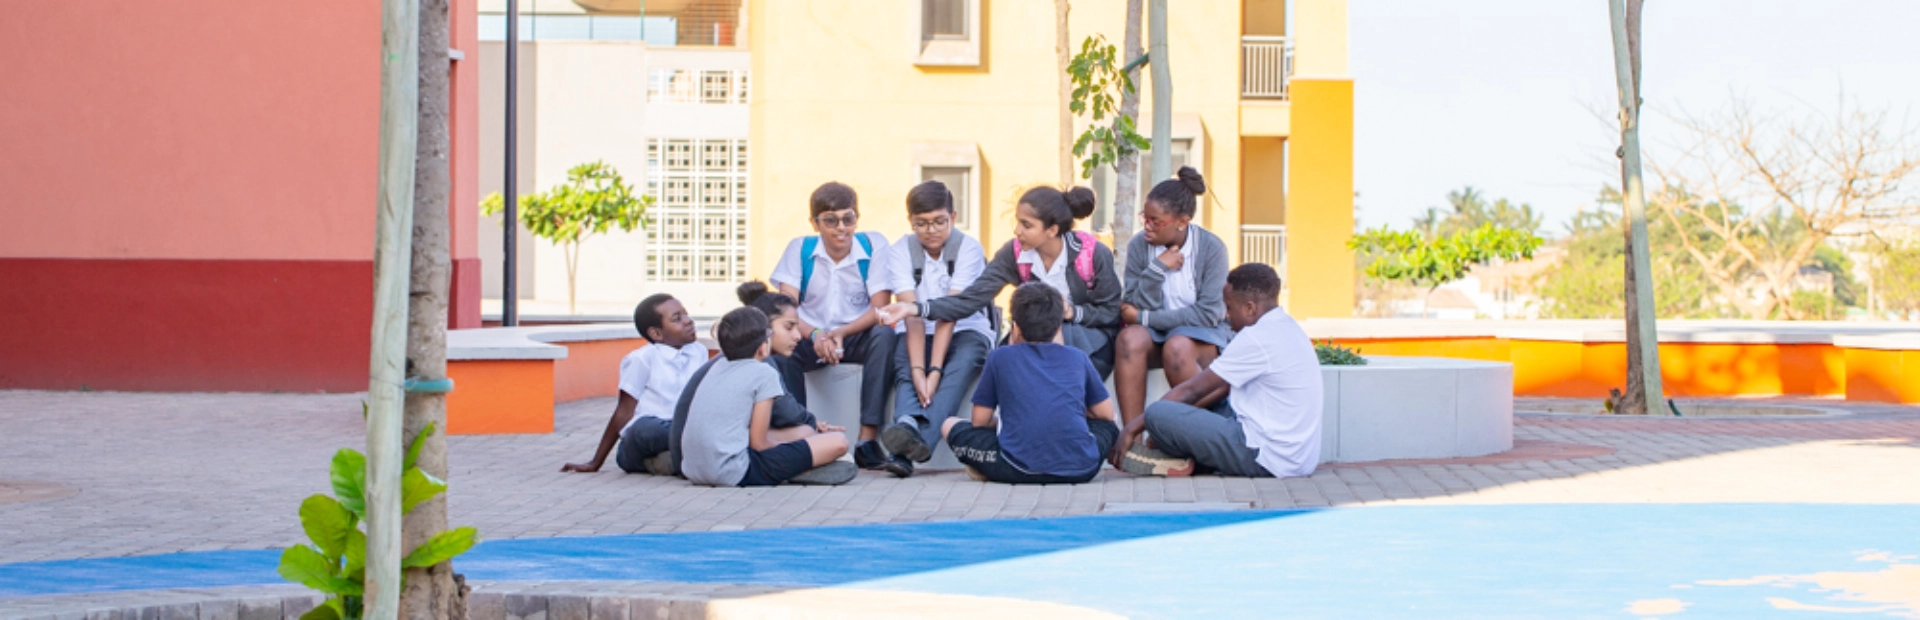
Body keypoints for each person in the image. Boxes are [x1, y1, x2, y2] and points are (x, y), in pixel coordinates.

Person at [878, 185, 1123, 378]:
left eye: (1026, 225)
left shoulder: (1092, 254)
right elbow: (971, 299)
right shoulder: (1014, 254)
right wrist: (914, 308)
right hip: (1031, 340)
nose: (1017, 231)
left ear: (1052, 230)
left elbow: (1111, 312)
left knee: (1051, 344)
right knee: (1001, 360)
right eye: (1017, 221)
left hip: (1088, 345)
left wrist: (1072, 312)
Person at [1115, 263, 1323, 478]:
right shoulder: (1288, 327)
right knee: (1196, 408)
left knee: (1158, 413)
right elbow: (1221, 390)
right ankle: (1189, 460)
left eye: (1229, 307)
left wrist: (1132, 429)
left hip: (1265, 457)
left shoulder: (1256, 338)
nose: (1226, 315)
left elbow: (1191, 391)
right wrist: (1174, 426)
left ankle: (1183, 457)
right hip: (1297, 458)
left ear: (1250, 308)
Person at [769, 182, 899, 474]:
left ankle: (867, 440)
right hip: (808, 335)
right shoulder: (799, 249)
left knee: (885, 335)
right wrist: (816, 335)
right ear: (814, 223)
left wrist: (841, 333)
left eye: (848, 219)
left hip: (855, 334)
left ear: (857, 218)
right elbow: (785, 310)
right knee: (781, 351)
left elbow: (880, 308)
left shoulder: (874, 245)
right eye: (830, 220)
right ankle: (801, 436)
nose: (841, 228)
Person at [938, 282, 1120, 484]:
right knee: (1109, 425)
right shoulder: (1078, 357)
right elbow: (1106, 415)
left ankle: (987, 468)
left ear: (1015, 327)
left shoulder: (1000, 357)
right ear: (1059, 327)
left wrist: (1007, 421)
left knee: (948, 425)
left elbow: (979, 421)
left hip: (1016, 468)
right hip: (1082, 468)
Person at [873, 181, 994, 478]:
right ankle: (907, 429)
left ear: (953, 217)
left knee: (958, 369)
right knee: (905, 369)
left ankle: (906, 449)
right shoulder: (900, 251)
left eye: (939, 221)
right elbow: (910, 313)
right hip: (917, 328)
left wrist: (934, 371)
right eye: (922, 223)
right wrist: (919, 371)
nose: (931, 230)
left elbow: (949, 313)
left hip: (966, 327)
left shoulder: (968, 249)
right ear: (910, 221)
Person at [668, 283, 839, 480]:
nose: (798, 336)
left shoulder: (723, 361)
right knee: (823, 437)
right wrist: (813, 426)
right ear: (764, 328)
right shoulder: (761, 364)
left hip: (688, 461)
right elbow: (786, 413)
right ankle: (801, 468)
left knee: (803, 431)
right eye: (789, 327)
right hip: (726, 463)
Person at [1114, 167, 1234, 430]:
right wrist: (1156, 270)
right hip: (1156, 336)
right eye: (1145, 217)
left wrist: (1145, 318)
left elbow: (1208, 314)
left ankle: (1191, 436)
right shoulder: (1138, 245)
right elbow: (1131, 305)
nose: (1147, 226)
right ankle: (1132, 440)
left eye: (1156, 221)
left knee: (1177, 345)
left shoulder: (1211, 249)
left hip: (1203, 337)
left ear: (1182, 221)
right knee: (1128, 339)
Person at [559, 293, 705, 475]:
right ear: (656, 333)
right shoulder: (641, 359)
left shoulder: (698, 352)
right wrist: (595, 462)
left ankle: (670, 461)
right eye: (677, 319)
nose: (688, 321)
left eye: (685, 314)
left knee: (702, 426)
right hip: (643, 439)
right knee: (648, 429)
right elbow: (624, 411)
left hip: (680, 430)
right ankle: (688, 453)